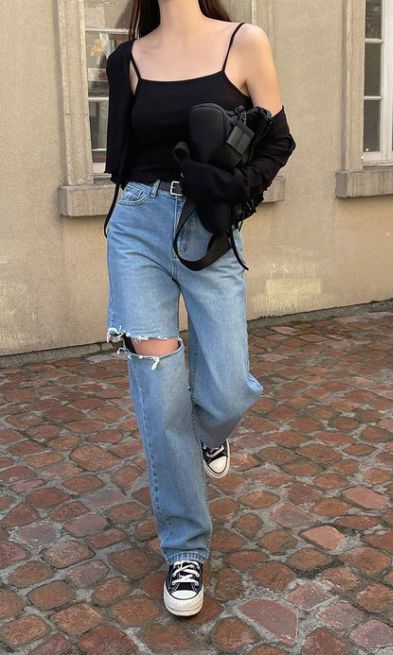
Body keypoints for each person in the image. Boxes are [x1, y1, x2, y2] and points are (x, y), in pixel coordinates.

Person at [103, 0, 296, 618]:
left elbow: (278, 141)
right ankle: (185, 548)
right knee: (158, 388)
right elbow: (122, 161)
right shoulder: (127, 60)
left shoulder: (244, 41)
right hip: (136, 225)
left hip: (208, 224)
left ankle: (206, 436)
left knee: (230, 387)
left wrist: (237, 188)